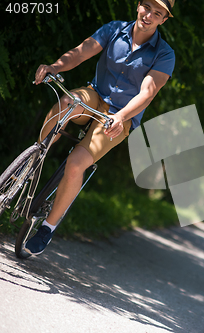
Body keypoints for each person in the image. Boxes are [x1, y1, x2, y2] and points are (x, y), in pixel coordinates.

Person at [25, 0, 175, 255]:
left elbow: (147, 92)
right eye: (147, 7)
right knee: (67, 102)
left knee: (75, 164)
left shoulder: (164, 53)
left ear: (164, 19)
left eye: (157, 13)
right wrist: (54, 67)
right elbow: (81, 52)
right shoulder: (114, 29)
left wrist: (122, 116)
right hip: (95, 95)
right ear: (138, 5)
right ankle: (32, 160)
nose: (149, 15)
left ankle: (48, 228)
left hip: (119, 116)